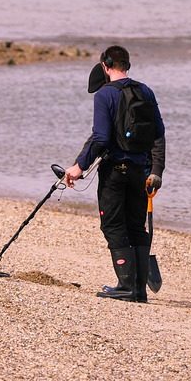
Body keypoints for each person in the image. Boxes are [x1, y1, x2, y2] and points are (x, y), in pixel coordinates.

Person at [65, 45, 165, 303]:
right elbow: (158, 133)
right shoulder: (145, 91)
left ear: (105, 66)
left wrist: (79, 167)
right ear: (127, 65)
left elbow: (100, 137)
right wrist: (156, 171)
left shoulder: (104, 95)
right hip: (141, 173)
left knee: (112, 224)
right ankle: (138, 290)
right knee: (136, 227)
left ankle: (125, 285)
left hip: (115, 172)